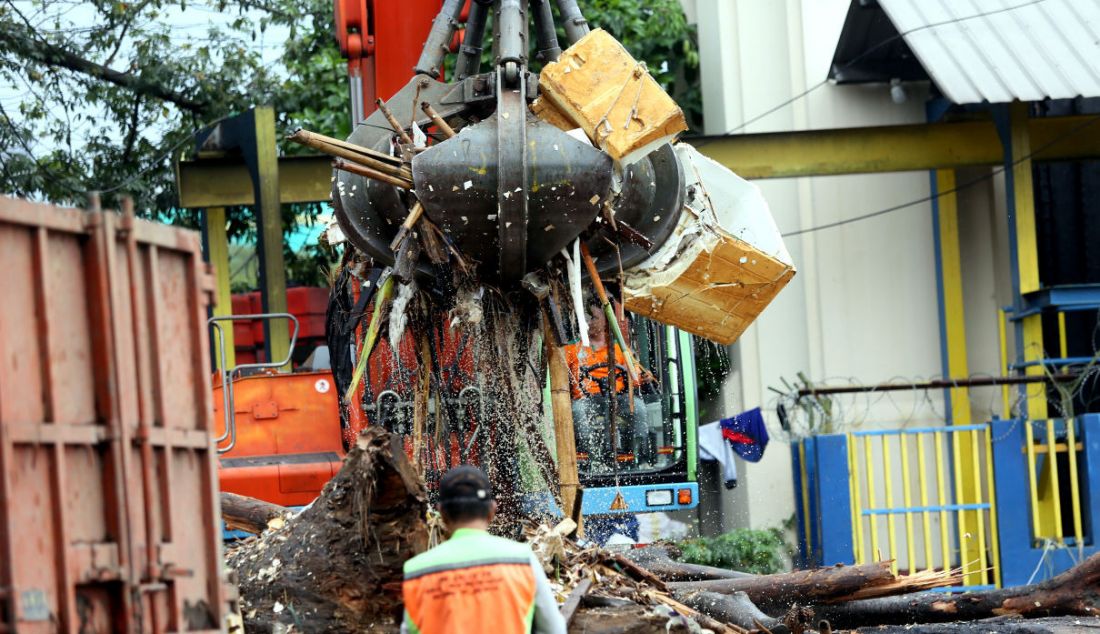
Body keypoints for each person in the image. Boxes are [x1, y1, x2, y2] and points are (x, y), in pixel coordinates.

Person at [401, 466, 566, 634]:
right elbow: (554, 630)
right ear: (492, 510)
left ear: (442, 513)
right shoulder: (522, 560)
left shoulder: (418, 572)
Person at [564, 296, 649, 474]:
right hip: (586, 400)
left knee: (639, 408)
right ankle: (592, 457)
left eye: (593, 318)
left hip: (617, 398)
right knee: (578, 410)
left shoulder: (619, 349)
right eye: (585, 319)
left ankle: (638, 455)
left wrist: (643, 377)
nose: (588, 323)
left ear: (604, 320)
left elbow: (636, 376)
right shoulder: (572, 349)